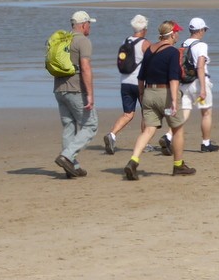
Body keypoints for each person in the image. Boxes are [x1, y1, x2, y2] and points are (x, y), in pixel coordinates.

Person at [123, 21, 196, 180]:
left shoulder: (149, 50)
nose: (178, 35)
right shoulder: (173, 52)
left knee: (148, 130)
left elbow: (141, 76)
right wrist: (175, 101)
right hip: (166, 93)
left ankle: (133, 160)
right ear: (172, 34)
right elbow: (174, 77)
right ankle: (178, 166)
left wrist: (142, 96)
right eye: (177, 32)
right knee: (177, 129)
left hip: (149, 92)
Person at [159, 17, 219, 154]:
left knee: (184, 112)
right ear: (200, 30)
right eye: (204, 29)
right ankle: (206, 143)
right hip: (199, 82)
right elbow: (200, 66)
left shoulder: (183, 44)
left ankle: (168, 136)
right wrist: (203, 89)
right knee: (206, 112)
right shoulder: (201, 45)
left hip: (184, 83)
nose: (204, 32)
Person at [52, 11, 98, 178]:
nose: (90, 27)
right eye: (89, 24)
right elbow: (85, 68)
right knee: (91, 125)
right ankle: (66, 157)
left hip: (59, 89)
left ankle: (73, 166)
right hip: (75, 89)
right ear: (83, 24)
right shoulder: (83, 41)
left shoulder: (63, 39)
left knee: (69, 126)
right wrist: (90, 94)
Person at [104, 14, 150, 155]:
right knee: (146, 113)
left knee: (128, 114)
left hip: (124, 82)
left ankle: (112, 134)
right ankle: (145, 143)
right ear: (145, 29)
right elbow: (150, 63)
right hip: (139, 83)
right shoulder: (145, 43)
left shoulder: (126, 41)